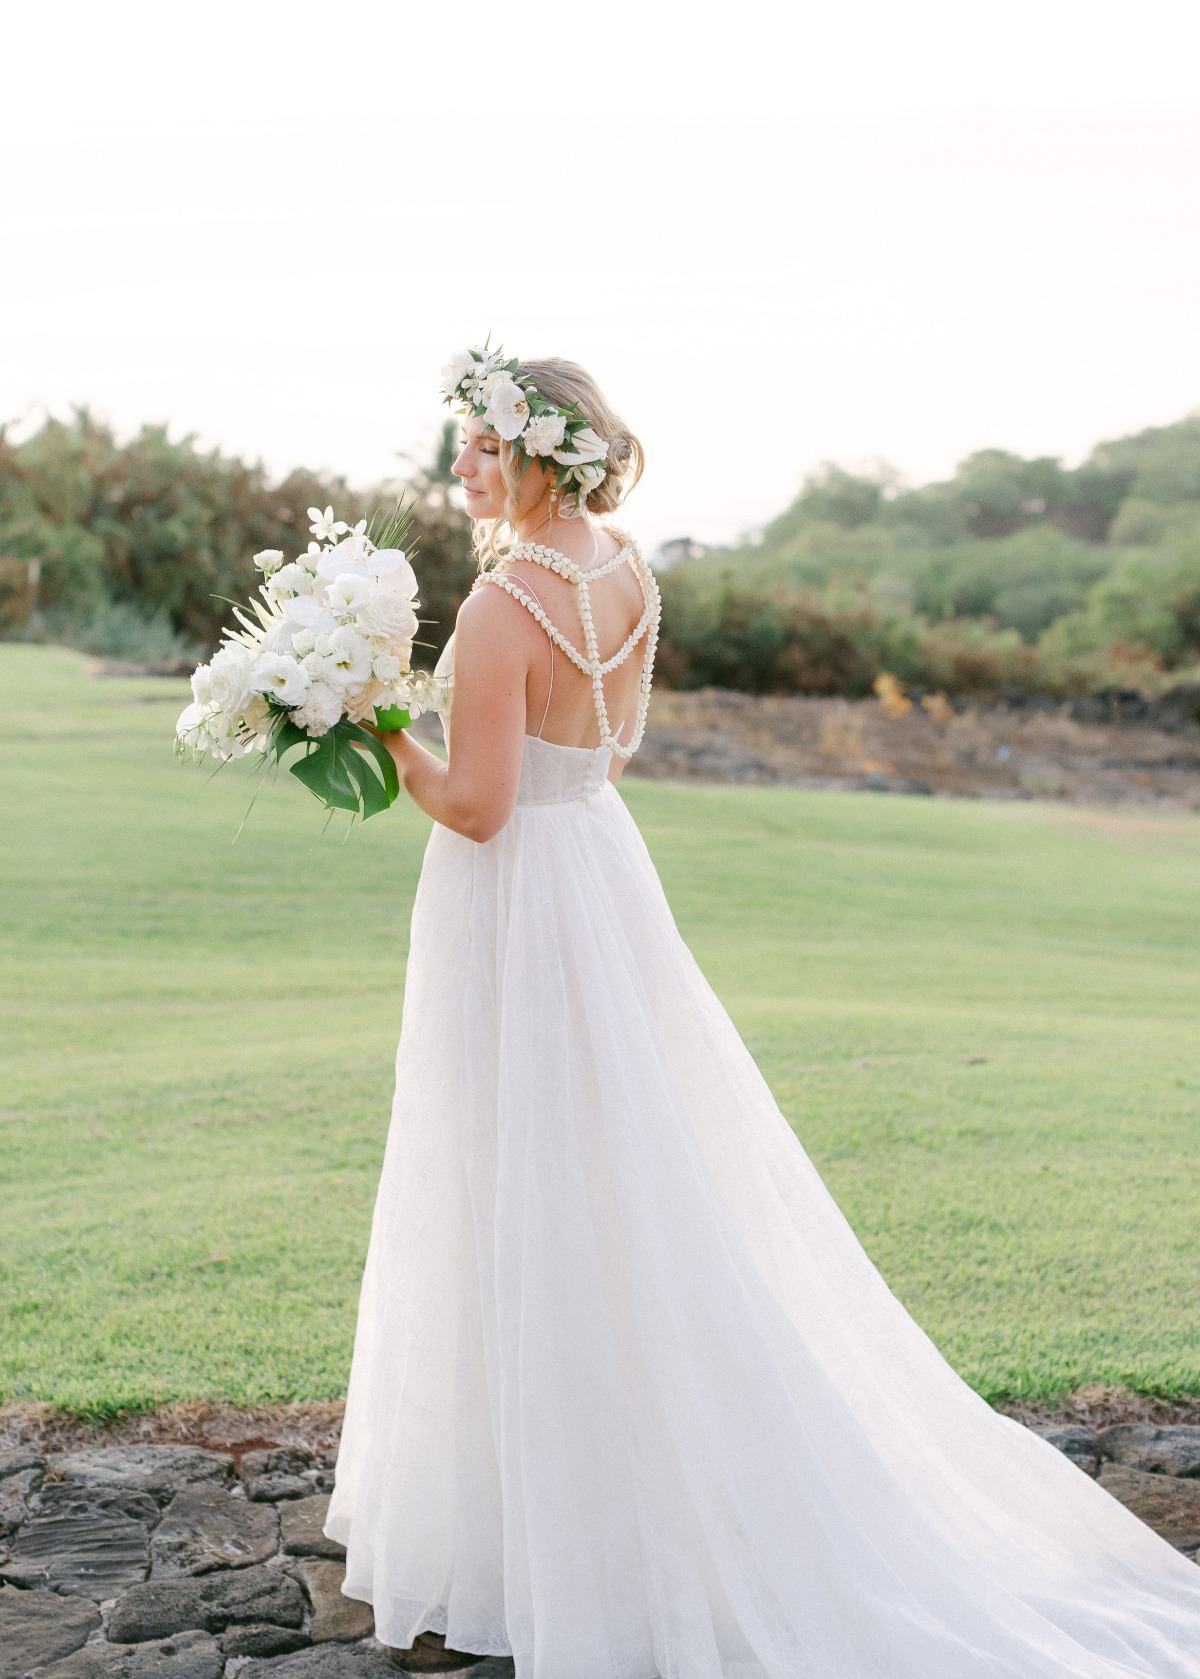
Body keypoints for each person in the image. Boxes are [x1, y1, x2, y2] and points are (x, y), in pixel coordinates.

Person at [325, 348, 1200, 1679]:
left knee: (516, 1189)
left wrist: (374, 722)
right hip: (601, 883)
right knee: (622, 1190)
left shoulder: (507, 604)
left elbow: (478, 807)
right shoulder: (623, 569)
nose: (459, 466)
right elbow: (608, 752)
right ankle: (565, 1512)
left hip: (514, 911)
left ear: (534, 455)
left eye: (477, 447)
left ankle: (541, 1544)